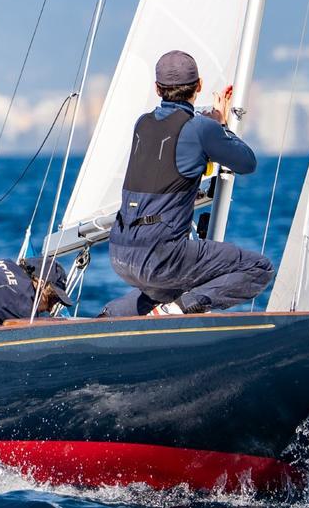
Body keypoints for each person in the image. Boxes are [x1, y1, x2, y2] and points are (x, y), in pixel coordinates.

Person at [101, 50, 274, 317]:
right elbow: (246, 163)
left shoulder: (142, 124)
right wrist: (221, 125)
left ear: (157, 88)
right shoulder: (201, 128)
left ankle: (111, 315)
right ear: (199, 85)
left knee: (169, 285)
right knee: (258, 268)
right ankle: (178, 309)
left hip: (120, 253)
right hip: (161, 256)